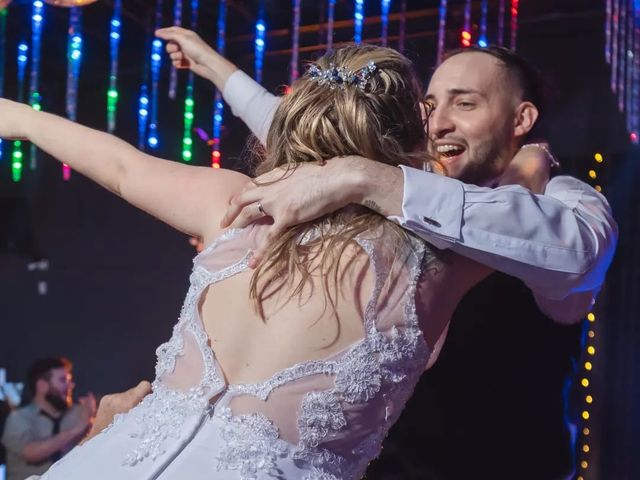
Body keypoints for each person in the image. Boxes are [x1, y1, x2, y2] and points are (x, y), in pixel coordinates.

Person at [0, 43, 548, 480]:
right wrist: (530, 160)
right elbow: (523, 214)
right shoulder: (438, 257)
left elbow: (122, 166)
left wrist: (22, 118)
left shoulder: (235, 202)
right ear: (409, 137)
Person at [152, 28, 618, 478]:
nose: (439, 122)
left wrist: (363, 177)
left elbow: (577, 254)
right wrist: (212, 65)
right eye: (431, 105)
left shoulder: (565, 200)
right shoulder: (404, 186)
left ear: (521, 120)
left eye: (466, 103)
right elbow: (300, 127)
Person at [1, 358, 96, 480]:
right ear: (42, 385)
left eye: (70, 381)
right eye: (63, 380)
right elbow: (31, 453)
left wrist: (92, 419)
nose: (70, 386)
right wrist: (75, 430)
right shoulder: (19, 418)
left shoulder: (79, 413)